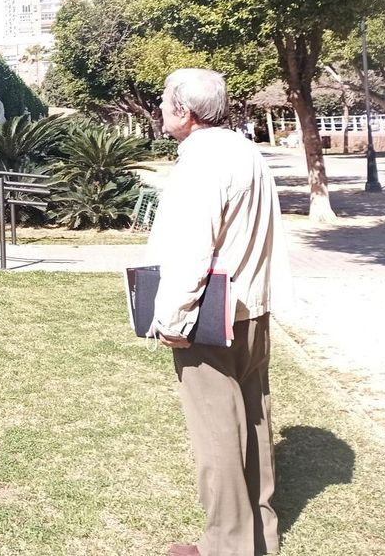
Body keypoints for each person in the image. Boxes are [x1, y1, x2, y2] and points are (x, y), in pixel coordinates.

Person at [147, 68, 292, 556]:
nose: (161, 107)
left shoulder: (201, 162)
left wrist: (172, 319)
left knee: (217, 436)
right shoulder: (244, 150)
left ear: (183, 112)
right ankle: (260, 536)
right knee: (253, 420)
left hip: (210, 319)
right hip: (253, 310)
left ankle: (227, 547)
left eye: (165, 100)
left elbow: (193, 248)